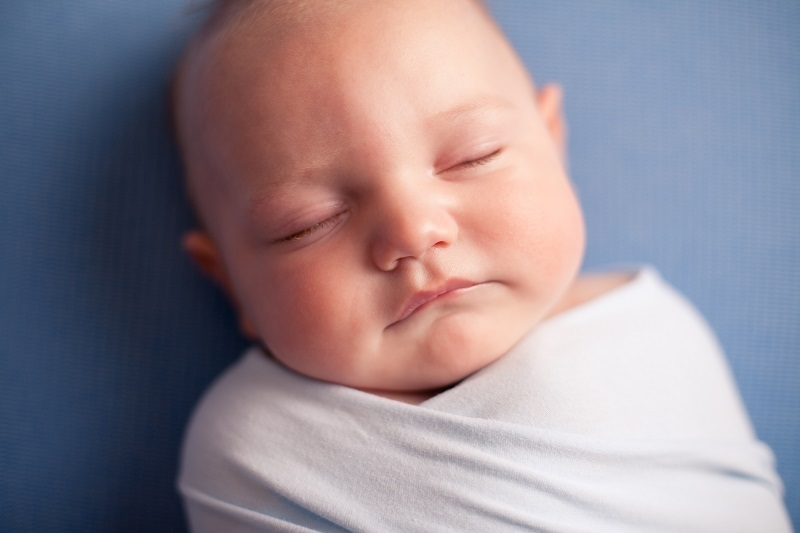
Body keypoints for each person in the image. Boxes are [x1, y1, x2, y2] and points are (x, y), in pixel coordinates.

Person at [172, 0, 792, 530]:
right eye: (308, 222)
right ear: (230, 280)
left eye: (474, 156)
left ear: (553, 143)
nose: (414, 233)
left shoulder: (653, 339)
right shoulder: (253, 447)